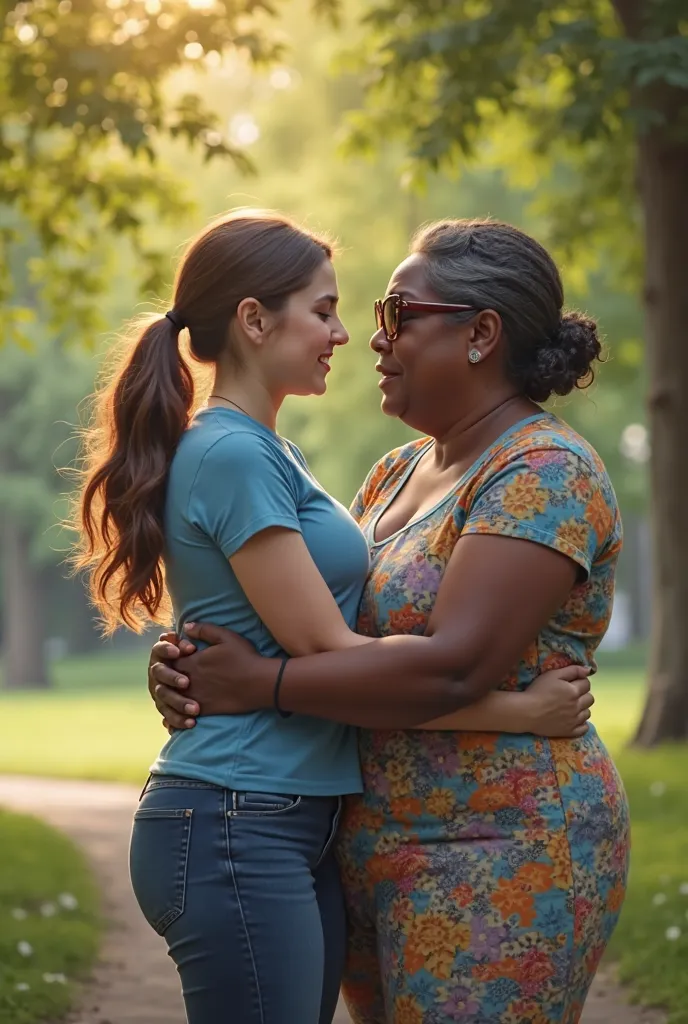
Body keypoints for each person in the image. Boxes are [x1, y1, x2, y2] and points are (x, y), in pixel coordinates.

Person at [148, 218, 630, 1024]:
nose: (371, 339)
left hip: (497, 847)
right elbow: (320, 627)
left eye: (396, 315)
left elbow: (449, 666)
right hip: (363, 849)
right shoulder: (396, 472)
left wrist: (260, 684)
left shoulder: (543, 472)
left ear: (479, 334)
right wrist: (188, 659)